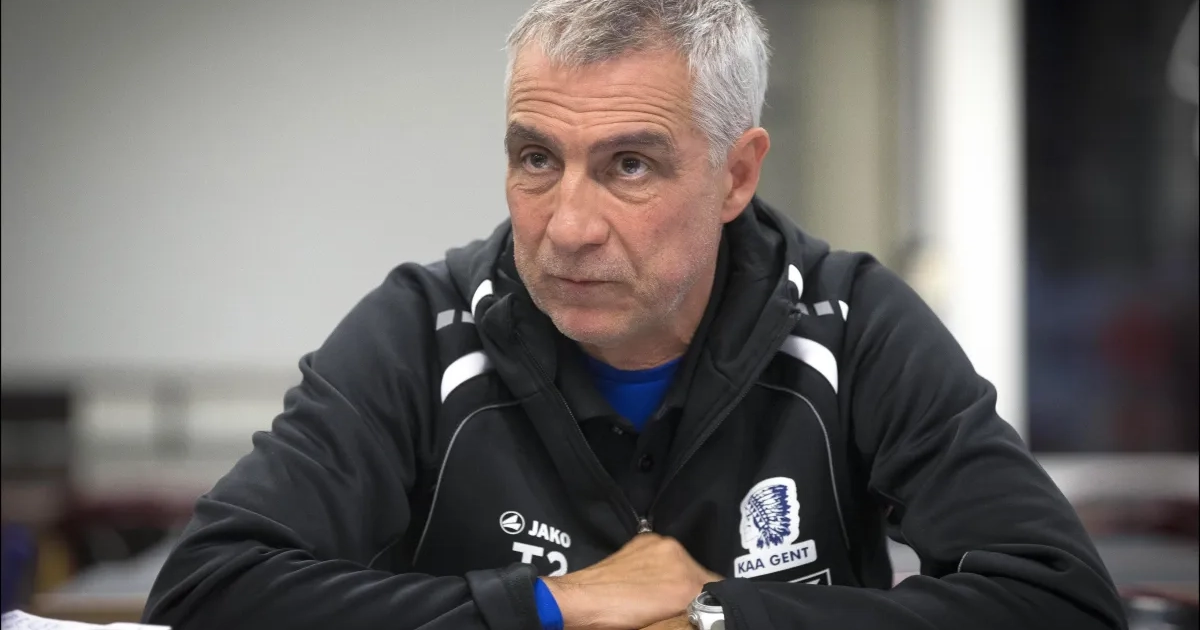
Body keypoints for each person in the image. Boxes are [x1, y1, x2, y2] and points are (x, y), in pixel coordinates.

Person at [143, 1, 1125, 628]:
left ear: (736, 174)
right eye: (537, 158)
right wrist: (549, 606)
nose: (567, 227)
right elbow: (207, 591)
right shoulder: (421, 329)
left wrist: (715, 615)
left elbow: (1059, 600)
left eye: (629, 165)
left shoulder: (851, 322)